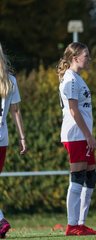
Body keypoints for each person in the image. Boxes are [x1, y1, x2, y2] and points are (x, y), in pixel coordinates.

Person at [57, 42, 96, 236]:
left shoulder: (77, 78)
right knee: (77, 177)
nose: (88, 59)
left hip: (82, 135)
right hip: (76, 135)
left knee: (90, 176)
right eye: (86, 55)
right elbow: (74, 111)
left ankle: (80, 224)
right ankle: (72, 225)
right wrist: (88, 135)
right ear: (75, 58)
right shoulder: (70, 80)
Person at [0, 43, 27, 238]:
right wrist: (22, 137)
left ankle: (0, 220)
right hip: (2, 138)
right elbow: (15, 111)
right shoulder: (10, 80)